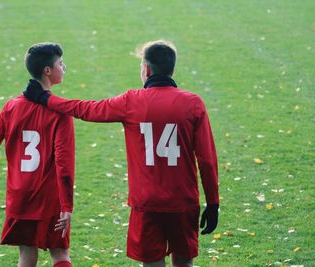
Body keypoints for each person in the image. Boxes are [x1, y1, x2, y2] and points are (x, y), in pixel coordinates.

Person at [24, 40, 219, 267]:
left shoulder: (131, 101)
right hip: (183, 202)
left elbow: (86, 109)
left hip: (146, 204)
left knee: (152, 263)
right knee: (184, 262)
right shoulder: (193, 104)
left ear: (146, 69)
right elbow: (207, 160)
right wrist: (213, 203)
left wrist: (45, 98)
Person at [0, 42, 75, 267]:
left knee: (26, 255)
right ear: (47, 71)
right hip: (50, 198)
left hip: (20, 197)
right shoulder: (60, 111)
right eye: (61, 63)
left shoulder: (12, 107)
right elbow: (64, 163)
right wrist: (67, 205)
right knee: (60, 254)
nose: (65, 67)